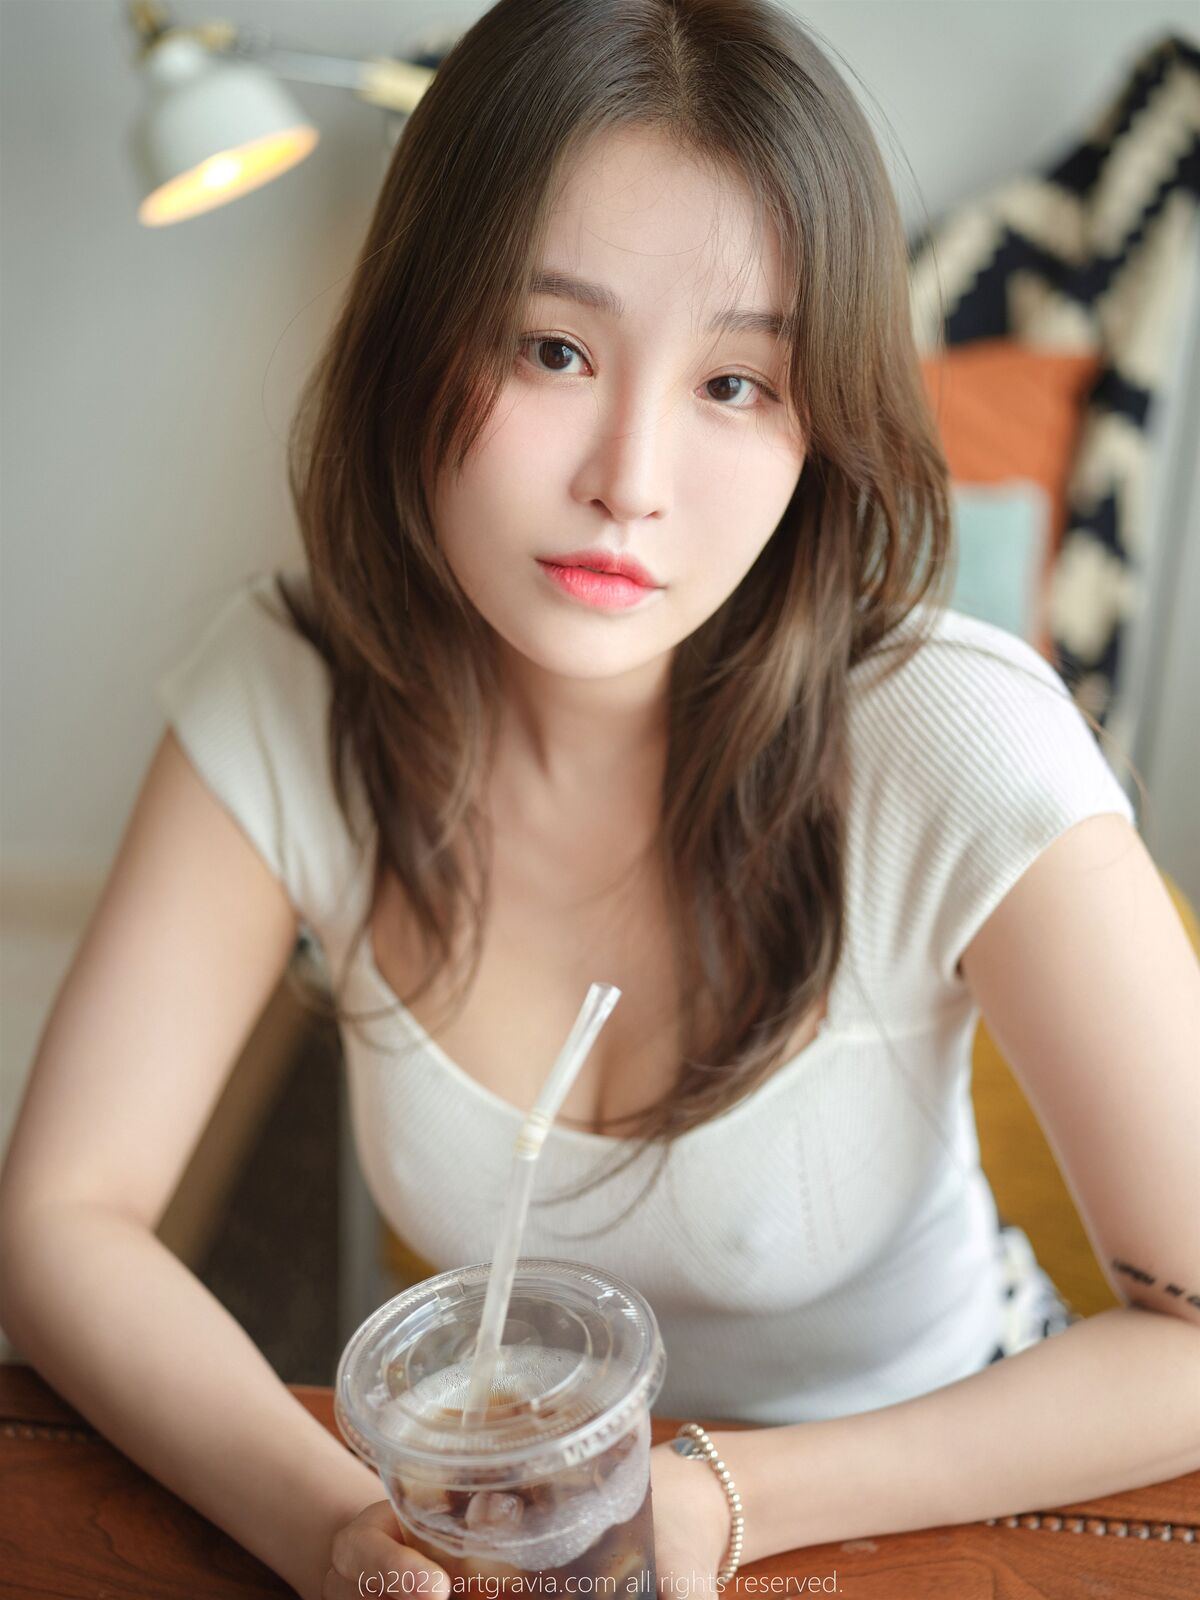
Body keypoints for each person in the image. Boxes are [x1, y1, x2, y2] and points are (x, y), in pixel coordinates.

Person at [2, 3, 1198, 1598]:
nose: (629, 479)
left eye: (735, 382)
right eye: (552, 350)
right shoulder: (294, 698)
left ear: (820, 422)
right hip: (510, 1534)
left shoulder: (957, 741)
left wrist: (715, 1501)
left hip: (944, 1518)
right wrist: (334, 1526)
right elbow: (64, 1216)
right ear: (416, 339)